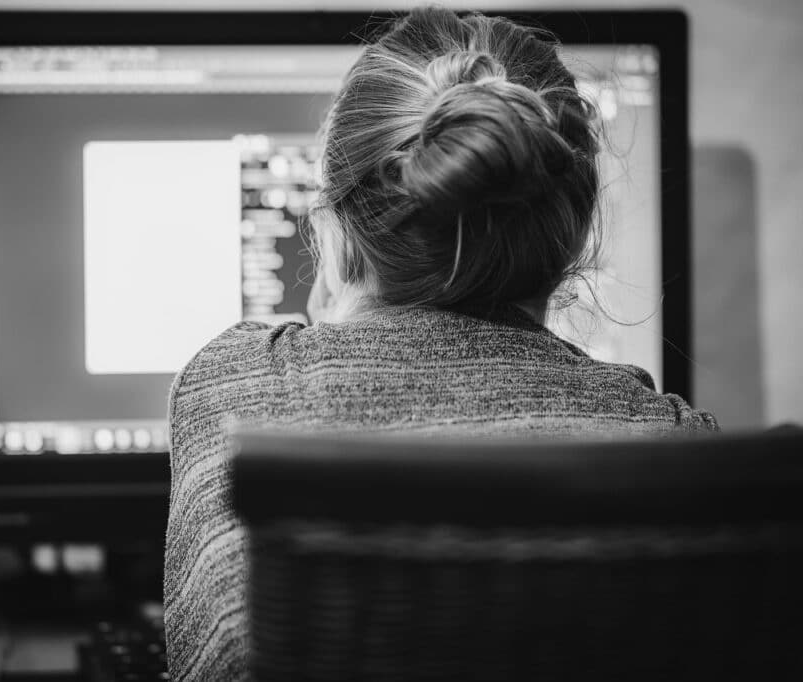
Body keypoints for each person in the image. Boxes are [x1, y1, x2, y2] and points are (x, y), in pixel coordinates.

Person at [163, 7, 717, 680]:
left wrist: (331, 328)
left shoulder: (235, 390)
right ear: (572, 243)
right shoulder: (680, 449)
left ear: (335, 232)